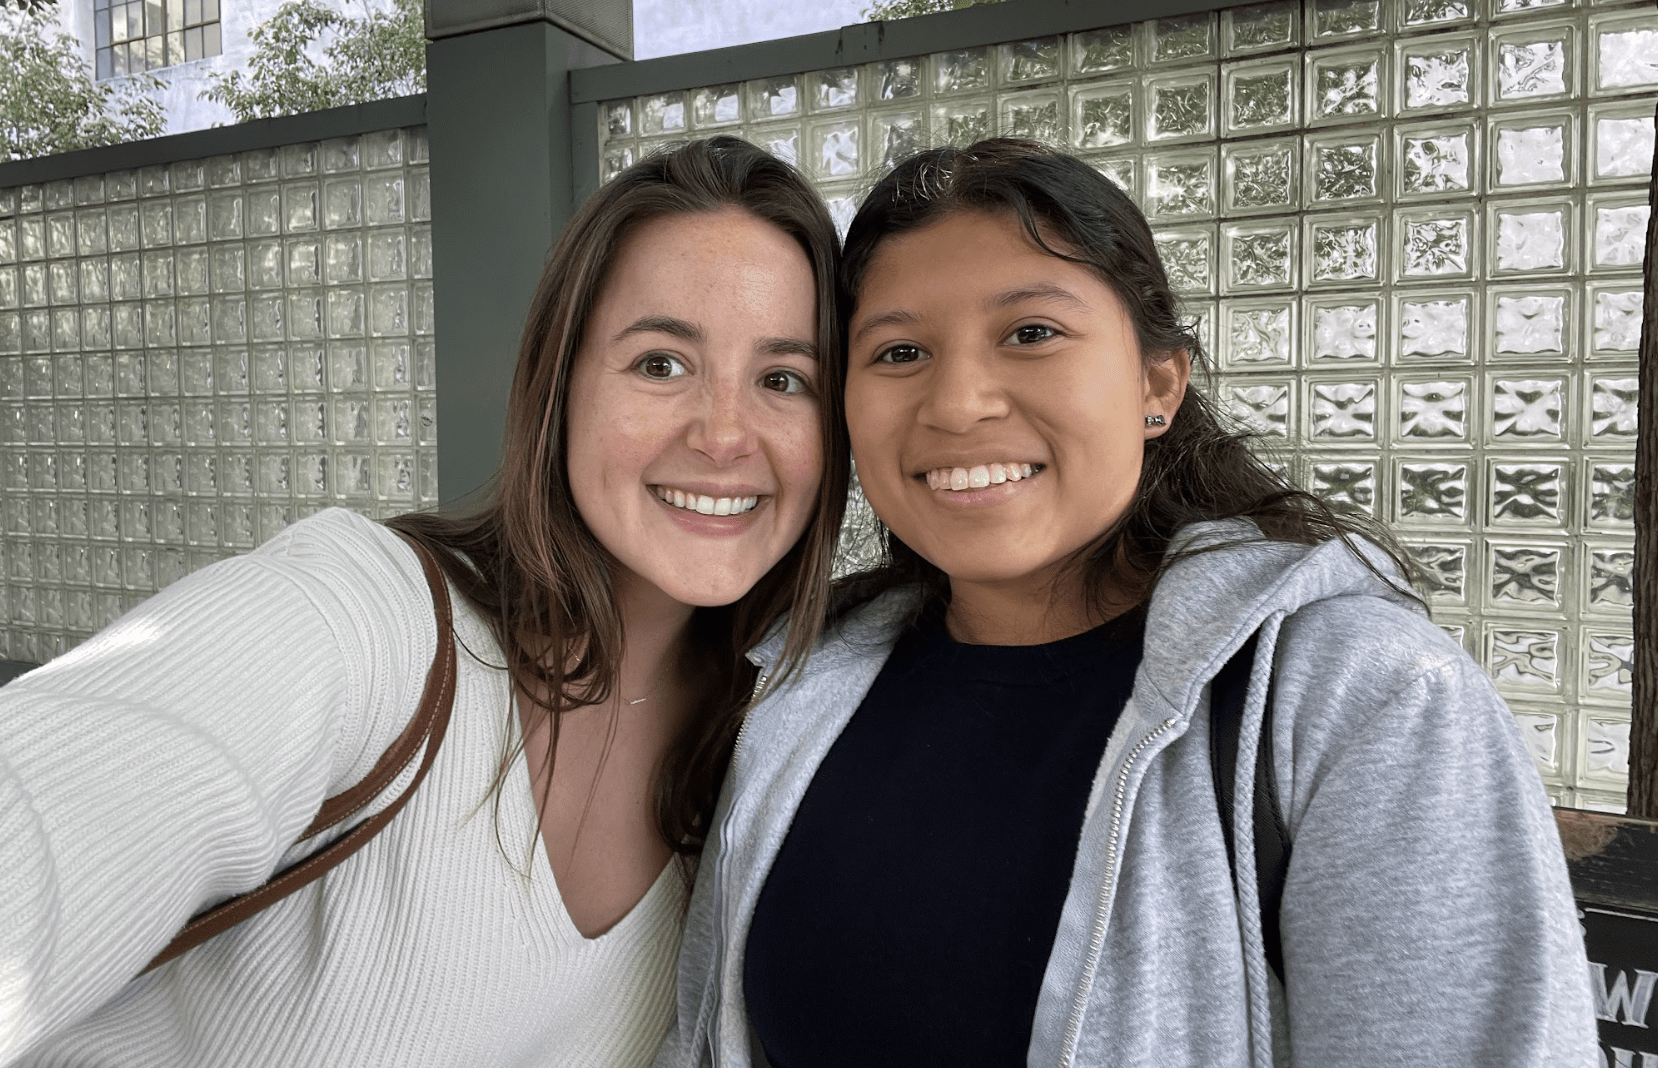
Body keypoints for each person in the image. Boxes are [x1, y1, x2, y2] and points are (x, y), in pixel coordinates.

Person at [658, 139, 1597, 1067]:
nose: (957, 404)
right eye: (899, 350)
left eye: (1031, 333)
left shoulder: (1363, 700)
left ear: (1157, 384)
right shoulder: (800, 684)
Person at [0, 136, 848, 1068]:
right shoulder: (365, 621)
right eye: (660, 364)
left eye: (782, 379)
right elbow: (35, 830)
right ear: (557, 386)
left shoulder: (770, 748)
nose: (725, 434)